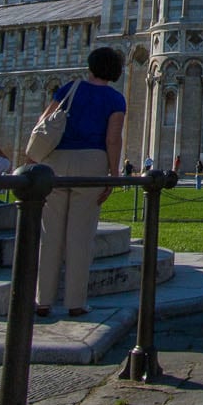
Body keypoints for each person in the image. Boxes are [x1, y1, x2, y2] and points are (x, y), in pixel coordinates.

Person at [32, 47, 127, 319]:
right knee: (81, 237)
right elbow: (113, 139)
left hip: (56, 163)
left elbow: (44, 121)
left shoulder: (69, 89)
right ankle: (75, 302)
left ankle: (42, 301)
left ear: (91, 66)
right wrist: (112, 173)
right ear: (115, 72)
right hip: (91, 165)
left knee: (49, 235)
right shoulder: (115, 99)